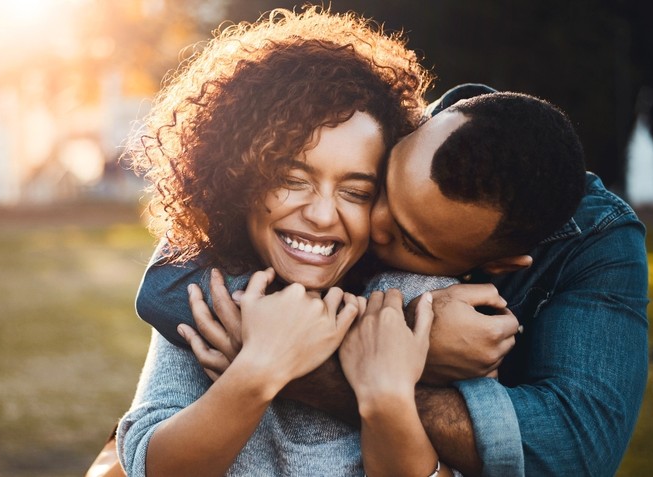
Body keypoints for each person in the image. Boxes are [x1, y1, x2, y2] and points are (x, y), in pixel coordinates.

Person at [139, 84, 649, 476]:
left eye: (410, 240)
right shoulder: (368, 140)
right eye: (378, 187)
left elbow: (574, 450)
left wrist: (385, 366)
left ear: (489, 265)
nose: (368, 225)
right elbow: (165, 288)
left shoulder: (448, 303)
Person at [115, 7, 460, 477]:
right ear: (238, 177)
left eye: (355, 192)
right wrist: (260, 369)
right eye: (291, 179)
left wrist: (385, 397)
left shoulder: (412, 300)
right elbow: (150, 466)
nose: (321, 215)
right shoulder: (209, 290)